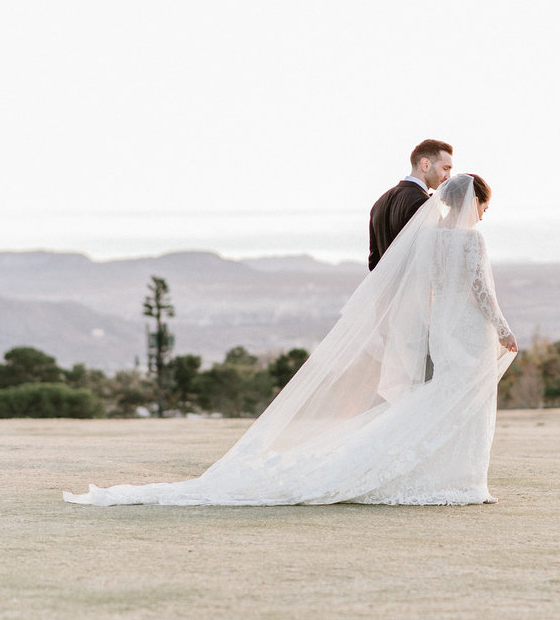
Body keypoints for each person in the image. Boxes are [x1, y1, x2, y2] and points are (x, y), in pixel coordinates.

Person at [64, 173, 519, 507]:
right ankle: (465, 479)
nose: (483, 213)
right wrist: (503, 329)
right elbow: (481, 292)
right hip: (470, 332)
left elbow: (429, 292)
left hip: (444, 330)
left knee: (441, 399)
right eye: (483, 204)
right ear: (471, 203)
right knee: (465, 403)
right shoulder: (472, 241)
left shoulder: (431, 243)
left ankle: (451, 477)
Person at [368, 139, 454, 270]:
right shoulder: (424, 204)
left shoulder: (379, 203)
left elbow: (373, 264)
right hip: (414, 289)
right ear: (425, 165)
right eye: (445, 168)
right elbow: (428, 260)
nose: (448, 176)